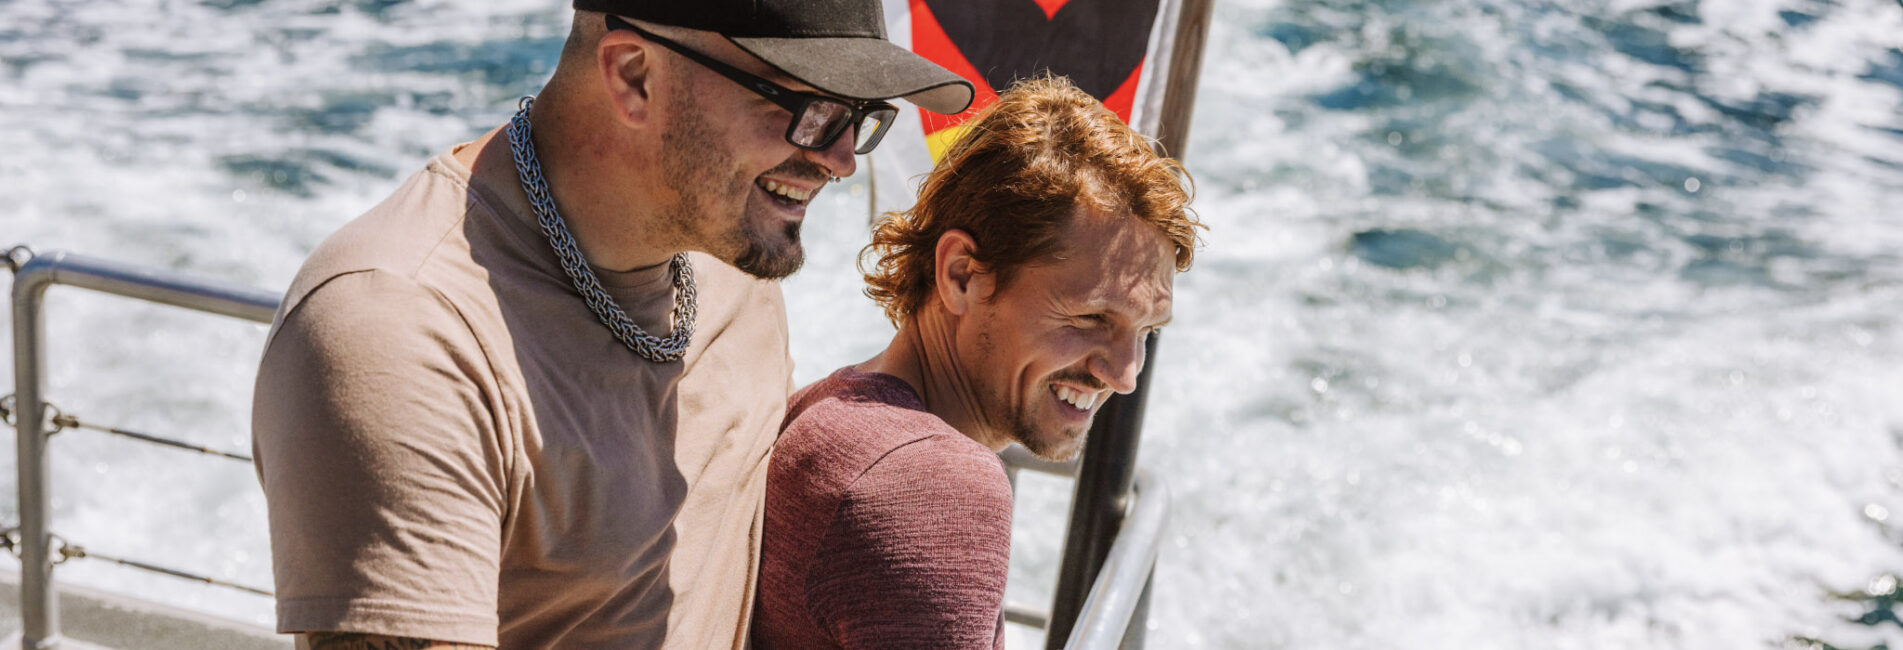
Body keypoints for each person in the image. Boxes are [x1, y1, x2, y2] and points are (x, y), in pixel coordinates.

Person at [249, 1, 973, 648]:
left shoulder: (730, 259)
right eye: (810, 109)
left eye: (859, 115)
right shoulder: (400, 329)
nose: (840, 158)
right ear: (633, 76)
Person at [751, 76, 1205, 649]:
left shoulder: (830, 406)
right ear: (961, 275)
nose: (1124, 374)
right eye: (1091, 319)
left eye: (1145, 332)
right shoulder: (933, 487)